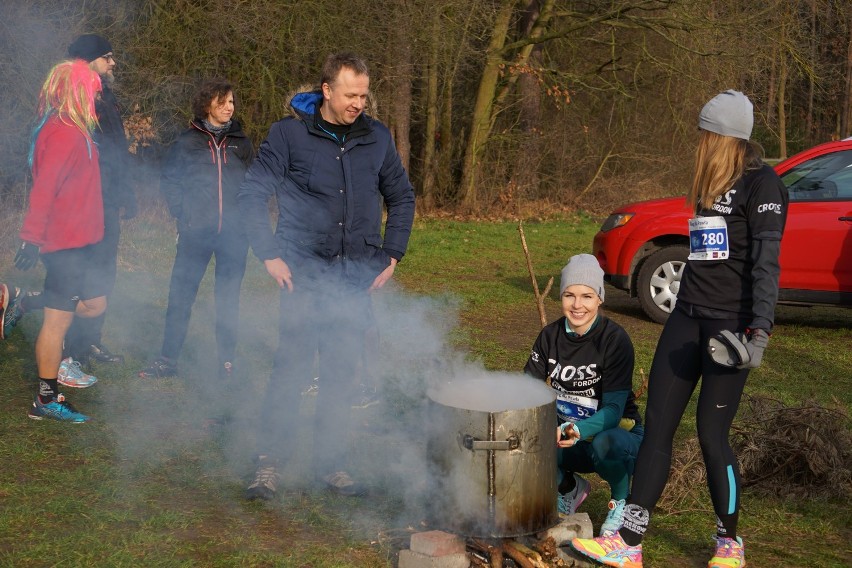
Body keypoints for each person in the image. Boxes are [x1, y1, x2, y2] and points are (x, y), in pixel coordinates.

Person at [571, 90, 788, 568]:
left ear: (724, 136)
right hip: (687, 317)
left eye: (705, 133)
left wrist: (760, 334)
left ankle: (729, 542)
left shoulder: (763, 185)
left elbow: (767, 267)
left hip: (731, 329)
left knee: (713, 435)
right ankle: (629, 542)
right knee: (657, 431)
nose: (699, 142)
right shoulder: (710, 183)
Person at [238, 52, 415, 500]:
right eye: (351, 94)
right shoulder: (289, 134)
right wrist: (268, 253)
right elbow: (252, 193)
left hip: (355, 275)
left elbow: (402, 196)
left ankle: (331, 463)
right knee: (291, 367)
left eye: (363, 94)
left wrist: (391, 253)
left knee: (340, 370)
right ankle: (269, 464)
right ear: (327, 91)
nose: (359, 102)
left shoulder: (376, 137)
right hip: (301, 273)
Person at [138, 79, 255, 380]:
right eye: (224, 101)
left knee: (228, 300)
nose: (230, 107)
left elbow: (254, 183)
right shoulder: (187, 142)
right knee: (181, 296)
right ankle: (167, 360)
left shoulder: (242, 142)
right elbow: (171, 180)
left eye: (232, 101)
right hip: (195, 233)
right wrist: (182, 214)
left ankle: (227, 363)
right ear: (208, 105)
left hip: (234, 236)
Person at [524, 254, 643, 536]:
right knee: (522, 434)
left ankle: (620, 502)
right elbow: (525, 391)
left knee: (607, 443)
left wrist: (577, 428)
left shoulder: (615, 340)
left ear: (600, 298)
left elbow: (614, 412)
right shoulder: (549, 336)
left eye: (587, 296)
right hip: (566, 437)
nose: (577, 305)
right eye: (569, 295)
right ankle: (569, 487)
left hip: (616, 436)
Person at [15, 60, 107, 422]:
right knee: (58, 323)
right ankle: (46, 399)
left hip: (83, 243)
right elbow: (44, 190)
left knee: (95, 305)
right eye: (92, 92)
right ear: (76, 92)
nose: (96, 98)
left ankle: (23, 301)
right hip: (64, 246)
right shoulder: (63, 132)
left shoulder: (75, 128)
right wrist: (31, 239)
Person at [63, 33, 137, 366]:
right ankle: (64, 349)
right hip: (83, 203)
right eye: (107, 56)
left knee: (104, 274)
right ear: (90, 59)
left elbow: (116, 151)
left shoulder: (106, 96)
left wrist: (126, 193)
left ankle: (89, 342)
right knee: (79, 274)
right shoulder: (73, 98)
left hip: (108, 200)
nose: (113, 62)